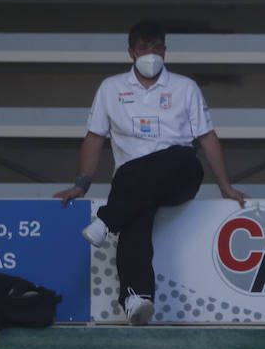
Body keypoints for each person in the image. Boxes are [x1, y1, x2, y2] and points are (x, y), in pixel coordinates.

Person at [54, 20, 248, 325]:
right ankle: (137, 298)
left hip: (179, 174)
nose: (151, 54)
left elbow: (207, 138)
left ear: (165, 50)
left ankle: (106, 220)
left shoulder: (185, 88)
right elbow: (94, 137)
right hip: (131, 181)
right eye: (144, 47)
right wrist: (82, 184)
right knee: (136, 207)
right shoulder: (111, 88)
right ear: (131, 52)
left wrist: (225, 186)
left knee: (177, 156)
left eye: (157, 47)